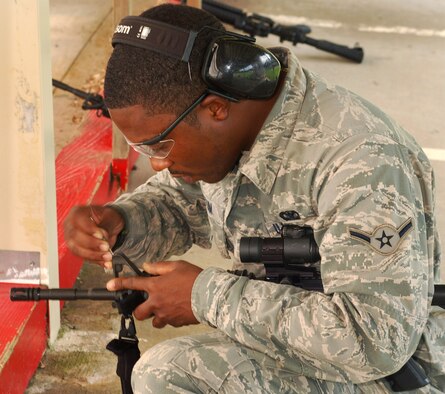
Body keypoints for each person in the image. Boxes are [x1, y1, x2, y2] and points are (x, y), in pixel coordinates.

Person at [64, 4, 445, 393]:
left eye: (160, 145)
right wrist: (122, 220)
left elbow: (375, 340)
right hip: (300, 347)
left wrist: (204, 296)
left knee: (169, 374)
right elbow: (186, 202)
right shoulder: (233, 131)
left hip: (385, 372)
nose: (159, 164)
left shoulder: (360, 160)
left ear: (216, 109)